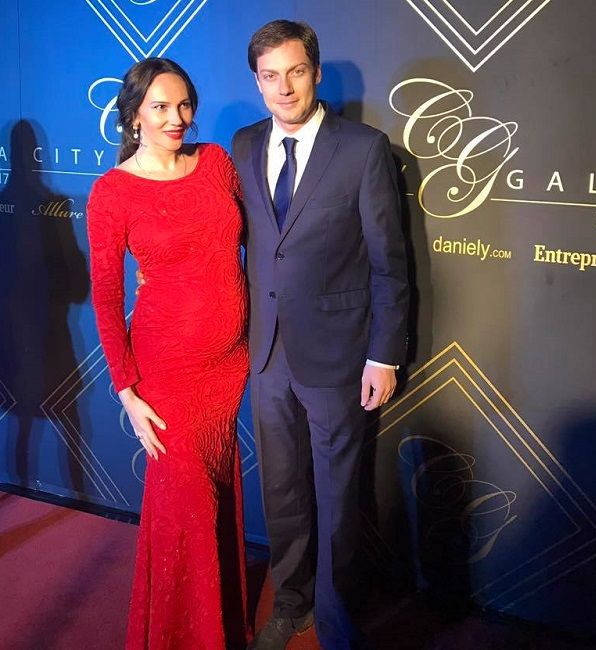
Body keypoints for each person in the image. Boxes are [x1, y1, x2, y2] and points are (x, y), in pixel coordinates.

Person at [232, 20, 409, 650]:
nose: (284, 88)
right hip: (267, 353)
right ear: (257, 82)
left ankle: (336, 623)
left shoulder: (362, 149)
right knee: (280, 489)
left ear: (316, 73)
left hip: (338, 354)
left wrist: (383, 355)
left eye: (296, 72)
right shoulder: (243, 144)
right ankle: (292, 604)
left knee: (337, 498)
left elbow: (390, 264)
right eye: (270, 76)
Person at [87, 58, 249, 650]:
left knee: (217, 488)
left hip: (230, 364)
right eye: (159, 107)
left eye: (183, 105)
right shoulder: (112, 192)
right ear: (134, 116)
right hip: (168, 372)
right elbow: (107, 296)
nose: (176, 118)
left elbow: (260, 239)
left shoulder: (217, 163)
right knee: (184, 500)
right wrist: (127, 390)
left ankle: (221, 623)